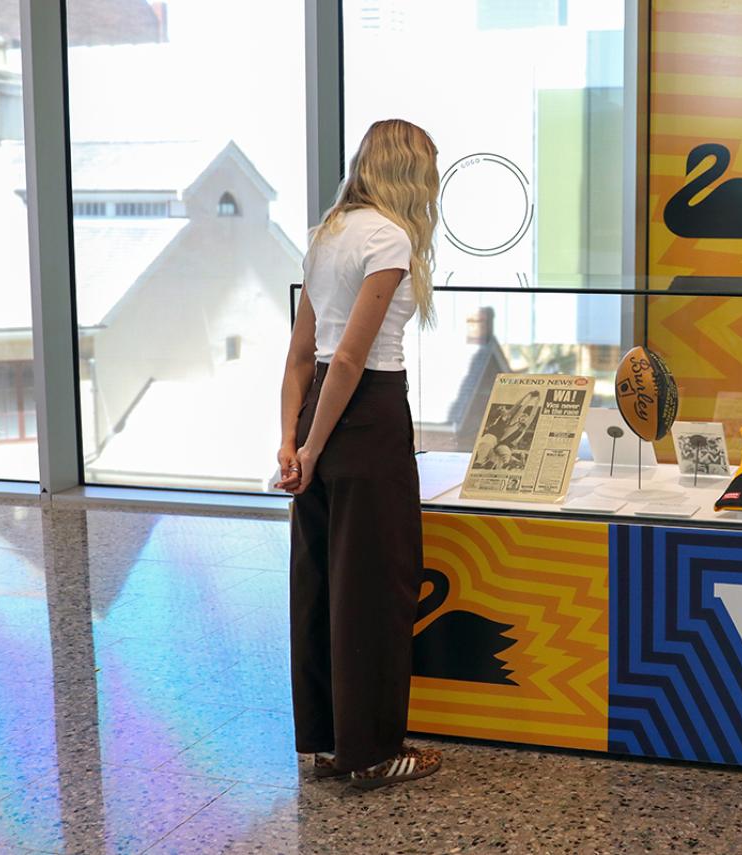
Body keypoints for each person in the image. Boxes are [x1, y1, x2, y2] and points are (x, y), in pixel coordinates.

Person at [275, 119, 442, 789]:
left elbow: (301, 355)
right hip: (366, 417)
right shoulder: (391, 237)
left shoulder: (328, 234)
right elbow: (350, 357)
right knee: (374, 586)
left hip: (319, 407)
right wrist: (313, 447)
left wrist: (291, 439)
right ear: (410, 172)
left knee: (318, 582)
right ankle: (371, 752)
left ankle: (324, 740)